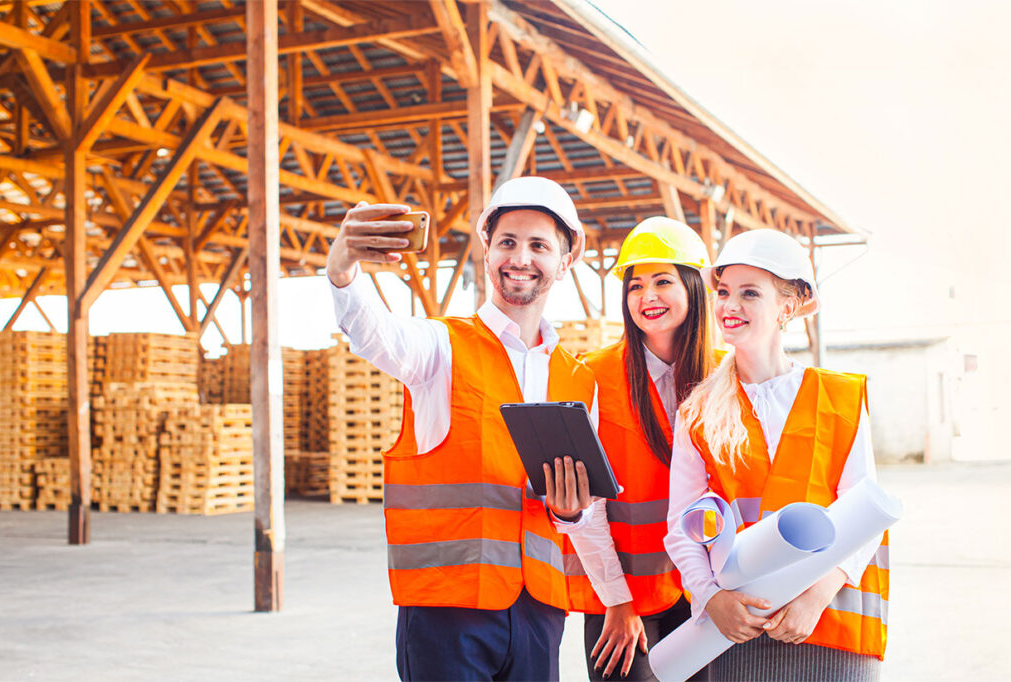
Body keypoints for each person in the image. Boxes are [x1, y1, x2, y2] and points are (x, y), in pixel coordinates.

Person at [326, 176, 613, 682]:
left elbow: (583, 515)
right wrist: (343, 267)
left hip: (540, 611)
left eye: (538, 245)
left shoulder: (578, 378)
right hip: (446, 608)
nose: (520, 257)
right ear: (487, 252)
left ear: (565, 262)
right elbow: (375, 334)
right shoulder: (440, 348)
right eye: (507, 242)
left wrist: (571, 517)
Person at [664, 229, 889, 680]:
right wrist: (711, 599)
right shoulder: (700, 411)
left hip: (828, 618)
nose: (730, 306)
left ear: (788, 306)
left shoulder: (838, 397)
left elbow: (864, 515)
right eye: (724, 292)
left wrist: (816, 595)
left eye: (750, 293)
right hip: (739, 625)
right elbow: (681, 525)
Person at [548, 217, 716, 681]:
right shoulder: (595, 375)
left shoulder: (724, 377)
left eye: (663, 281)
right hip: (623, 602)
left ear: (694, 287)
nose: (647, 297)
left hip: (704, 596)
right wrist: (617, 602)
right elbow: (586, 506)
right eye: (635, 285)